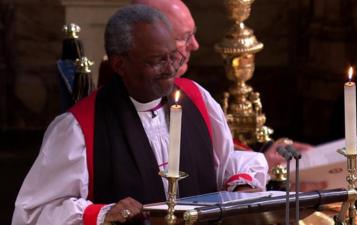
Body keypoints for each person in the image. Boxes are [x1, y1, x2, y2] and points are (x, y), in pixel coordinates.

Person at [12, 5, 268, 225]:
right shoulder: (79, 127)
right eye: (157, 61)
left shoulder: (197, 98)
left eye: (173, 56)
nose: (170, 69)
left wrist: (241, 185)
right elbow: (33, 213)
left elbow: (226, 160)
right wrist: (100, 214)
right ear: (119, 64)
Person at [130, 0, 324, 190]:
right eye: (185, 37)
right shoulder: (106, 112)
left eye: (194, 34)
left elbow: (223, 163)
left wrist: (260, 164)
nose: (196, 45)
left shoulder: (195, 95)